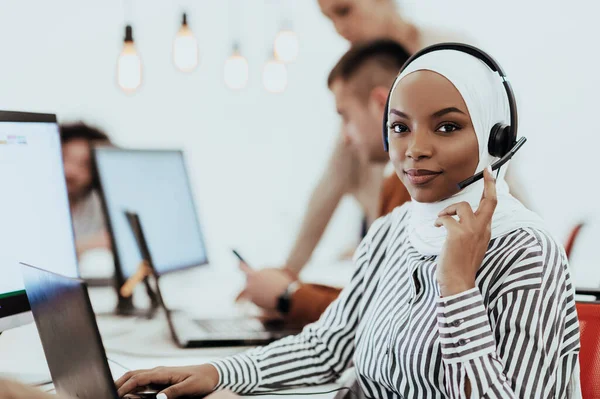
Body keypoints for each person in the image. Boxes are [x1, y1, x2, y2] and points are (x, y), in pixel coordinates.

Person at [116, 46, 580, 398]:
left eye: (446, 127)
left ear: (495, 138)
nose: (413, 149)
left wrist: (457, 287)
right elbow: (327, 348)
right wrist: (218, 372)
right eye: (400, 127)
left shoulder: (526, 252)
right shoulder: (393, 230)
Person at [237, 40, 412, 324]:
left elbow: (376, 320)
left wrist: (287, 297)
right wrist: (290, 292)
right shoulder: (395, 186)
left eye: (345, 116)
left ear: (381, 104)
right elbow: (369, 298)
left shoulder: (418, 193)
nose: (344, 137)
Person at [60, 122, 111, 259]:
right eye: (64, 158)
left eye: (84, 165)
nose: (70, 171)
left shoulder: (95, 203)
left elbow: (115, 239)